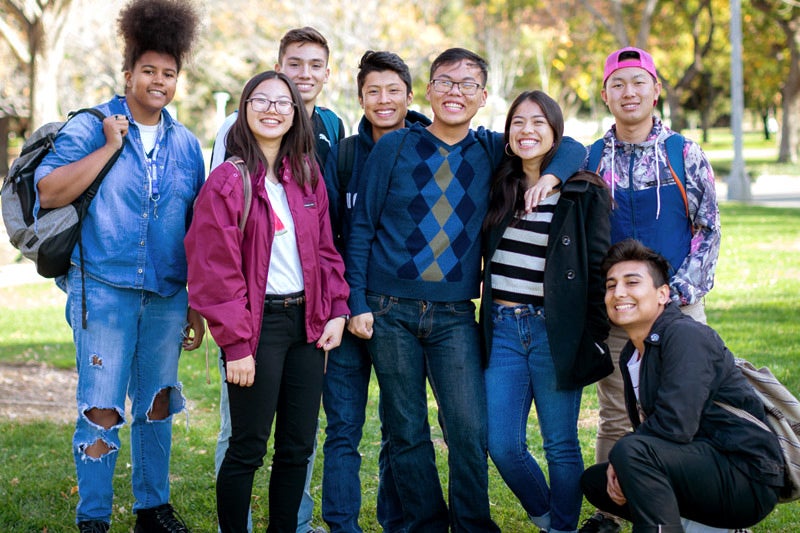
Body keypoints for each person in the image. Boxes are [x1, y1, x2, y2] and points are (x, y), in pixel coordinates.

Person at [345, 47, 585, 532]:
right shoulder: (394, 146)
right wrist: (356, 300)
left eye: (468, 84)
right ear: (429, 91)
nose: (456, 92)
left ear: (483, 97)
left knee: (470, 429)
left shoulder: (491, 149)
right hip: (389, 310)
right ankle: (426, 524)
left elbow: (572, 146)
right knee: (407, 431)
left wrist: (554, 176)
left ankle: (473, 524)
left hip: (455, 313)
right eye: (446, 82)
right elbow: (361, 227)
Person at [34, 1, 204, 531]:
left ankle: (152, 509)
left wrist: (195, 301)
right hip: (102, 290)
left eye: (168, 73)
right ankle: (95, 517)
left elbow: (194, 229)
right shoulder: (92, 127)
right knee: (102, 407)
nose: (158, 81)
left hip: (167, 296)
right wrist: (110, 146)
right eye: (148, 70)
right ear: (127, 74)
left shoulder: (188, 145)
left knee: (157, 405)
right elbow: (49, 190)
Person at [184, 70, 349, 533]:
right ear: (245, 108)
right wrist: (236, 345)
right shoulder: (227, 180)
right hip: (258, 328)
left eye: (283, 102)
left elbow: (325, 251)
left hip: (307, 327)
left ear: (295, 113)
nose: (272, 109)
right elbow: (213, 270)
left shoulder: (306, 177)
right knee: (247, 447)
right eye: (262, 100)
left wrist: (336, 309)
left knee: (298, 447)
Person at [580, 47, 721, 533]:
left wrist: (676, 292)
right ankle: (609, 513)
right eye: (618, 84)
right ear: (605, 95)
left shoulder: (685, 154)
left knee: (691, 414)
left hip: (677, 308)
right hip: (618, 311)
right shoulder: (592, 159)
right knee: (617, 414)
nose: (629, 93)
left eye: (639, 82)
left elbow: (707, 228)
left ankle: (699, 510)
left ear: (656, 89)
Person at [580, 239, 783, 532]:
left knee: (630, 453)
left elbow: (676, 424)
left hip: (746, 475)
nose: (618, 292)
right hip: (702, 464)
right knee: (596, 482)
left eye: (632, 282)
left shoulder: (685, 336)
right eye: (611, 285)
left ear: (663, 294)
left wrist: (623, 454)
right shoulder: (632, 354)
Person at [480, 90, 612, 533]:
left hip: (553, 332)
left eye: (539, 122)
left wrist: (590, 334)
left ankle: (563, 528)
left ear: (555, 130)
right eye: (518, 122)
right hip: (502, 330)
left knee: (560, 443)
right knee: (502, 444)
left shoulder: (581, 191)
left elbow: (597, 271)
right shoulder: (497, 182)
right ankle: (546, 518)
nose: (527, 130)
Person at [321, 50, 430, 533]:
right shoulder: (344, 154)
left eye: (393, 91)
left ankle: (397, 521)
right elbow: (327, 234)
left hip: (400, 312)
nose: (383, 101)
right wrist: (340, 304)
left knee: (398, 428)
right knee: (343, 428)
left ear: (410, 95)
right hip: (345, 309)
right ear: (360, 97)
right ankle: (342, 524)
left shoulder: (433, 146)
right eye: (372, 92)